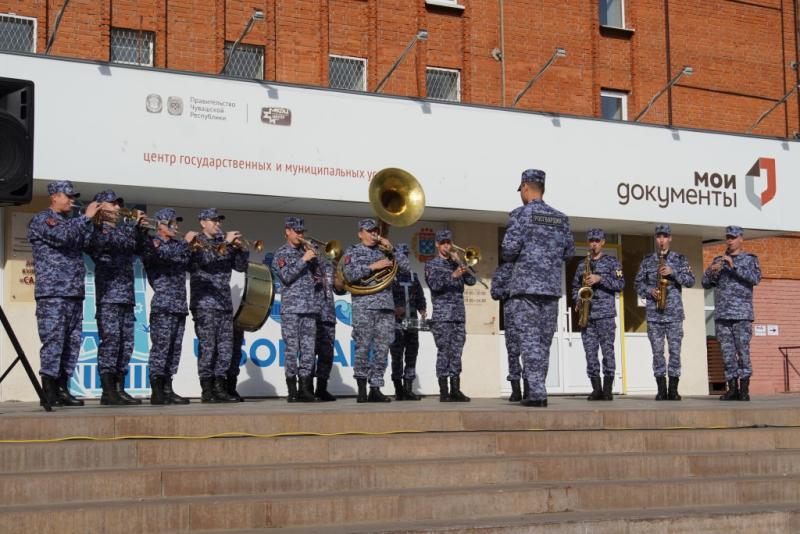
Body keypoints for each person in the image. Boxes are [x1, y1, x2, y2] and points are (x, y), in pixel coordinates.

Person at [501, 169, 574, 407]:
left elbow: (508, 250)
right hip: (551, 290)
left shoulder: (521, 215)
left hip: (526, 290)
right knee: (543, 343)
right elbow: (569, 253)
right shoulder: (561, 219)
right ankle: (538, 388)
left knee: (530, 341)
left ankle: (537, 394)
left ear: (525, 187)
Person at [27, 181, 99, 407]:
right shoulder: (43, 219)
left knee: (72, 342)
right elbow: (62, 236)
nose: (71, 200)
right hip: (53, 293)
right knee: (54, 341)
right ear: (54, 197)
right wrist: (85, 218)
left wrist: (96, 224)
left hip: (73, 292)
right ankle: (48, 390)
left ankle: (62, 388)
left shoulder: (72, 224)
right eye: (67, 196)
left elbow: (89, 243)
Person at [85, 189, 148, 405]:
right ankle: (108, 391)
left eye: (118, 204)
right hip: (109, 297)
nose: (118, 208)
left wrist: (140, 230)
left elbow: (139, 248)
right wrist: (131, 225)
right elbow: (114, 241)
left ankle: (120, 388)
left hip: (126, 297)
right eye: (113, 204)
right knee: (111, 342)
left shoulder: (124, 231)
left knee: (126, 344)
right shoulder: (98, 231)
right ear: (101, 207)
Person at [341, 218, 409, 402]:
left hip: (385, 306)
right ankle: (362, 387)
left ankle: (376, 387)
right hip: (364, 305)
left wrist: (392, 249)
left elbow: (406, 268)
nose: (374, 234)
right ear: (360, 233)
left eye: (376, 231)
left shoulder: (385, 251)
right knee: (363, 347)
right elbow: (348, 275)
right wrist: (373, 267)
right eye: (369, 231)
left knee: (382, 348)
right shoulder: (353, 251)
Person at [189, 208, 249, 403]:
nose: (218, 224)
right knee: (209, 348)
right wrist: (226, 243)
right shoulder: (197, 241)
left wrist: (241, 249)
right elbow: (205, 260)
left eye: (219, 221)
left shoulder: (223, 243)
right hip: (205, 303)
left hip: (224, 303)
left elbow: (240, 267)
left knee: (225, 349)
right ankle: (207, 390)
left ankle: (220, 388)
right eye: (213, 221)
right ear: (202, 222)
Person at [634, 224, 695, 401]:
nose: (661, 240)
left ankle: (673, 389)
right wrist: (649, 291)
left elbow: (690, 281)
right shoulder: (647, 261)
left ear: (670, 238)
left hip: (674, 314)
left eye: (664, 236)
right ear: (656, 239)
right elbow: (638, 284)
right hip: (655, 314)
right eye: (658, 237)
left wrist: (673, 272)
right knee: (657, 353)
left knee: (675, 352)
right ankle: (661, 389)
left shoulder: (679, 259)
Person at [702, 225, 761, 401]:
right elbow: (706, 283)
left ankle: (744, 389)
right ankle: (732, 388)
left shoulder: (749, 259)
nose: (730, 240)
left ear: (741, 239)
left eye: (733, 237)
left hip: (742, 314)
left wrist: (734, 266)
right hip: (722, 315)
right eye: (728, 237)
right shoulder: (718, 259)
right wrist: (712, 272)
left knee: (742, 351)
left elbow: (756, 278)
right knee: (727, 353)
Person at [140, 208, 193, 405]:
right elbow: (164, 256)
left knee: (174, 349)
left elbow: (193, 265)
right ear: (160, 226)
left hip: (179, 305)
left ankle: (168, 387)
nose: (176, 227)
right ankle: (157, 389)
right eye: (171, 223)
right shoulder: (154, 244)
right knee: (161, 349)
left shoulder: (179, 245)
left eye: (176, 223)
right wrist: (186, 243)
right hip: (163, 305)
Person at [571, 229, 625, 401]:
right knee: (590, 353)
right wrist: (577, 299)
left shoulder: (612, 262)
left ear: (603, 242)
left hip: (606, 315)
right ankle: (596, 389)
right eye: (591, 241)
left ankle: (608, 389)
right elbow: (574, 287)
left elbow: (620, 284)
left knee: (608, 352)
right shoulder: (582, 264)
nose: (593, 244)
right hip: (588, 315)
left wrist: (600, 279)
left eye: (597, 240)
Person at [271, 216, 321, 403]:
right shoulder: (281, 253)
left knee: (308, 351)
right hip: (291, 309)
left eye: (302, 232)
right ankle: (292, 389)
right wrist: (303, 259)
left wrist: (314, 258)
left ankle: (306, 389)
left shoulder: (307, 251)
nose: (300, 235)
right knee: (292, 349)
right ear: (288, 231)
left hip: (310, 307)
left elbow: (318, 277)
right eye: (297, 231)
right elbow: (286, 276)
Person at [425, 230, 475, 402]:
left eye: (449, 242)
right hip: (442, 317)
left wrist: (460, 262)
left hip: (458, 316)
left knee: (456, 353)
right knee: (444, 353)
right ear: (437, 244)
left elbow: (472, 280)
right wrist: (452, 275)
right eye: (443, 242)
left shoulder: (456, 263)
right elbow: (435, 285)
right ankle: (444, 391)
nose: (447, 245)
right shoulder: (432, 265)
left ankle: (455, 389)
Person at [389, 243, 427, 401]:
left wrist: (423, 309)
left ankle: (408, 388)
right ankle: (398, 390)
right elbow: (384, 298)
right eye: (401, 255)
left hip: (411, 321)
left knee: (412, 354)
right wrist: (393, 309)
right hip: (396, 322)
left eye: (406, 255)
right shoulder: (389, 276)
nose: (404, 258)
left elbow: (419, 295)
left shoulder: (413, 276)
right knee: (397, 356)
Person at [314, 250, 346, 401]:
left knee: (326, 354)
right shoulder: (308, 264)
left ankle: (321, 389)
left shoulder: (329, 265)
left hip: (328, 314)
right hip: (310, 313)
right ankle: (304, 388)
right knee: (308, 353)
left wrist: (339, 267)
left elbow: (339, 288)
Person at [491, 261, 523, 402]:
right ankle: (516, 391)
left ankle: (531, 389)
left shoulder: (529, 266)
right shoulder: (503, 270)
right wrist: (510, 289)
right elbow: (495, 293)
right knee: (513, 354)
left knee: (531, 355)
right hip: (511, 320)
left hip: (530, 319)